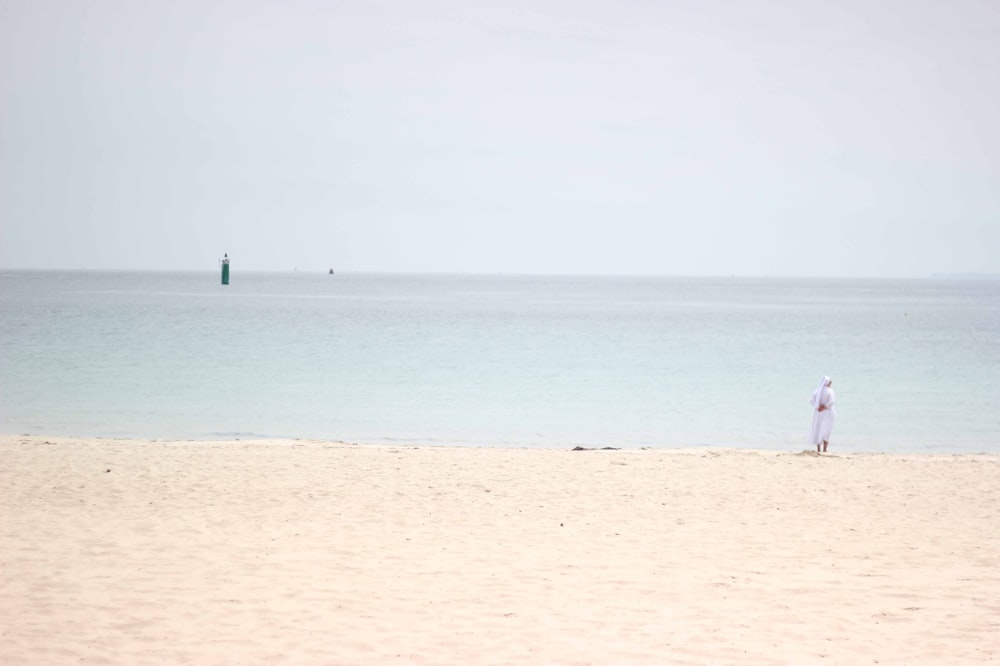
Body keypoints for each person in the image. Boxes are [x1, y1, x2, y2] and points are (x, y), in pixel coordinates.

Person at [809, 376, 836, 452]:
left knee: (818, 429)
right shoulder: (830, 391)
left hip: (818, 413)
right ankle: (825, 449)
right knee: (827, 430)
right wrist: (824, 407)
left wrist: (818, 407)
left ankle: (818, 448)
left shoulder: (817, 390)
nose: (830, 383)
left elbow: (811, 400)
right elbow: (832, 401)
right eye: (830, 382)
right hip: (828, 412)